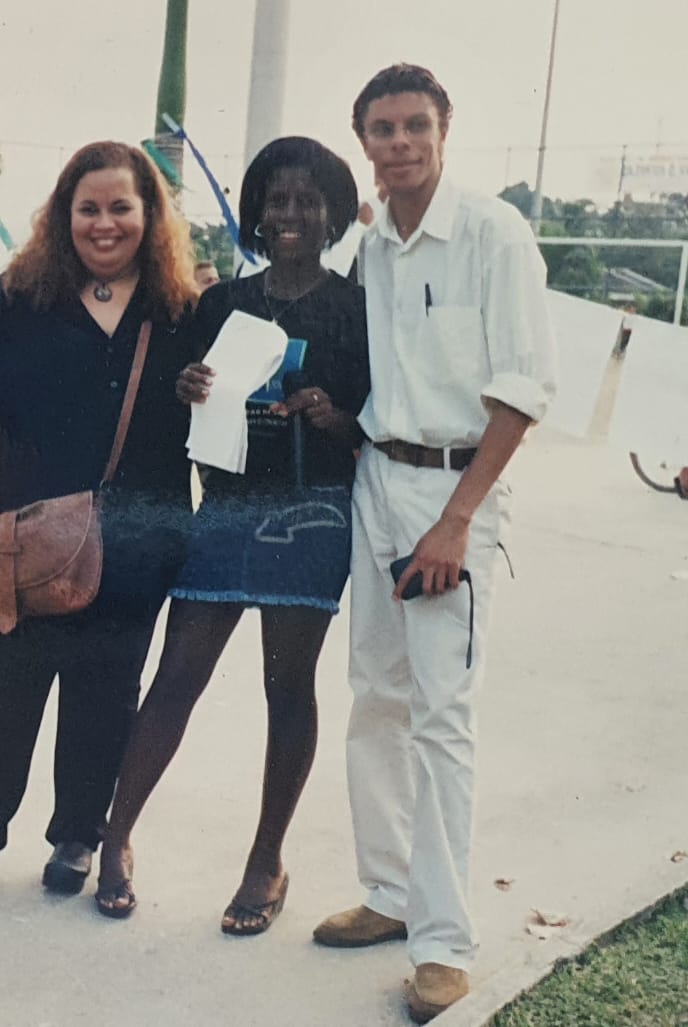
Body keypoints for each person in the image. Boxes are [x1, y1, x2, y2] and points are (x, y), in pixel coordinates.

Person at [314, 64, 556, 1024]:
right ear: (364, 142)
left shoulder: (496, 234)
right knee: (375, 695)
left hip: (453, 494)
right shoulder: (374, 246)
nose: (400, 142)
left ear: (443, 134)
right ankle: (387, 893)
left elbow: (523, 390)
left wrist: (457, 521)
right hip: (377, 476)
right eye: (383, 128)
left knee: (442, 718)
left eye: (416, 125)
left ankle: (444, 944)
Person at [95, 137, 369, 930]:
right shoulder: (221, 305)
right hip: (227, 509)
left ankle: (266, 859)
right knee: (176, 678)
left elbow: (374, 420)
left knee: (287, 688)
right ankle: (116, 839)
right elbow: (187, 404)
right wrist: (189, 388)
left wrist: (335, 415)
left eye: (308, 200)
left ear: (333, 214)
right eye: (276, 200)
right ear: (256, 213)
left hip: (312, 510)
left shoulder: (354, 308)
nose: (290, 214)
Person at [0, 141, 197, 900]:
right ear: (62, 214)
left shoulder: (177, 309)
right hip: (21, 532)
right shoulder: (15, 297)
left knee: (106, 693)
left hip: (133, 541)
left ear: (150, 217)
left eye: (122, 208)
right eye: (89, 208)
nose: (105, 224)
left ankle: (78, 836)